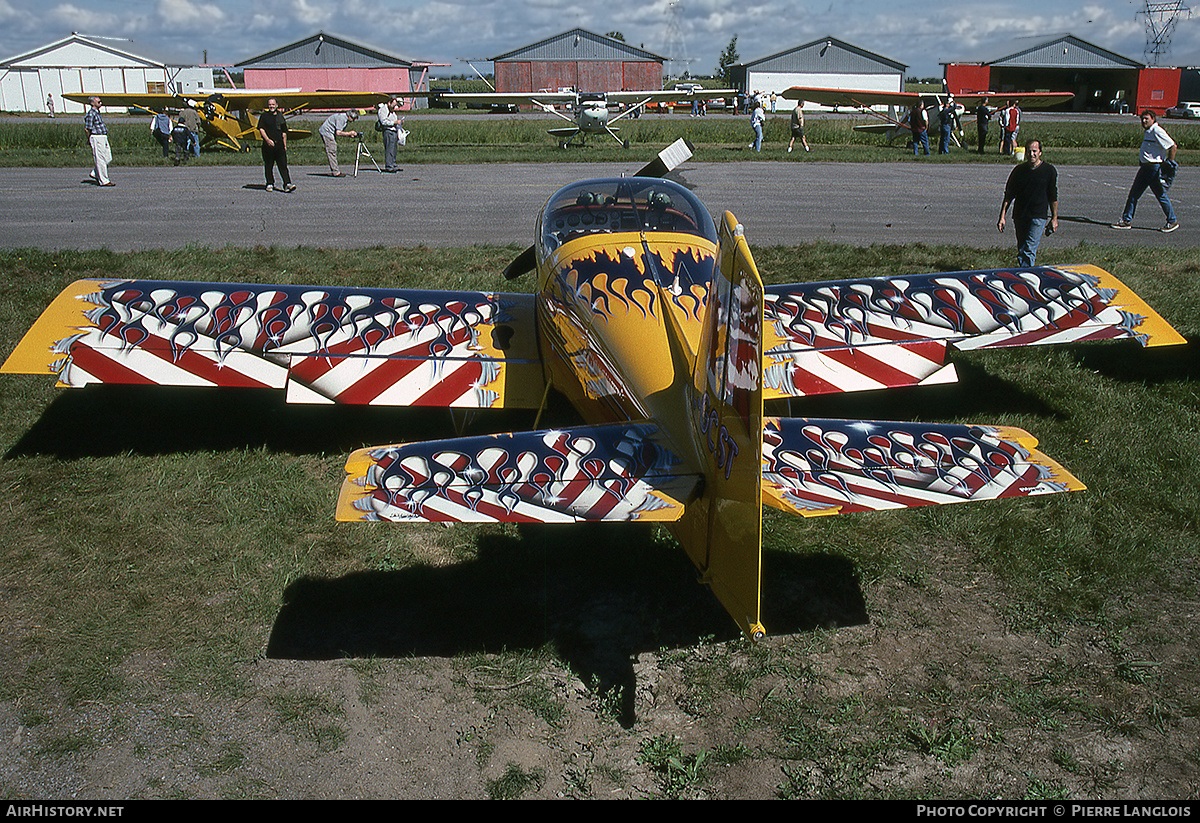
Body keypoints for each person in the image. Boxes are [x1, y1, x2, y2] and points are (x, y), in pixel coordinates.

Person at [1111, 109, 1179, 233]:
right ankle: (1127, 220)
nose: (1144, 121)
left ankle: (1172, 220)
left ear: (1153, 119)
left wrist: (1169, 163)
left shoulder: (1157, 131)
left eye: (1147, 118)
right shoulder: (1148, 131)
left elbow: (1172, 146)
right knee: (1137, 195)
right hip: (1146, 168)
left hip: (1153, 168)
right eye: (1142, 119)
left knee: (1152, 195)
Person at [998, 139, 1059, 268]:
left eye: (1035, 151)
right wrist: (1002, 216)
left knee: (1029, 249)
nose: (1032, 154)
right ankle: (1024, 272)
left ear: (1040, 153)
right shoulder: (1018, 171)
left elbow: (1052, 196)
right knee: (1022, 247)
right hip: (1020, 215)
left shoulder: (1049, 171)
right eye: (1029, 151)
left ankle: (1026, 275)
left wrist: (1054, 218)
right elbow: (1009, 195)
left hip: (1038, 216)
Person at [257, 97, 294, 192]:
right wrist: (267, 140)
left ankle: (287, 184)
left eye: (273, 104)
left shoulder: (280, 116)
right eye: (270, 105)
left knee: (283, 165)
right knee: (268, 165)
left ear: (277, 105)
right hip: (268, 146)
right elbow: (261, 129)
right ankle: (269, 183)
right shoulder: (264, 116)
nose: (271, 106)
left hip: (279, 145)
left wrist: (284, 144)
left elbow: (284, 131)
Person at [319, 109, 360, 177]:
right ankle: (336, 172)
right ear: (350, 116)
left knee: (333, 149)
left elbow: (341, 131)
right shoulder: (342, 118)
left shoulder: (344, 119)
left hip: (328, 132)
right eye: (353, 119)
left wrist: (349, 135)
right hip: (327, 132)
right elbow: (338, 132)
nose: (353, 121)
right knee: (332, 150)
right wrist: (349, 133)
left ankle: (335, 170)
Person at [84, 96, 114, 186]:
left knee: (108, 158)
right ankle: (104, 181)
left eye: (100, 101)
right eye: (98, 101)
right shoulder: (91, 114)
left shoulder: (97, 113)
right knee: (100, 159)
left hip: (103, 136)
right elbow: (87, 128)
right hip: (96, 137)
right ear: (92, 103)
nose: (100, 103)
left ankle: (95, 173)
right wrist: (89, 139)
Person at [377, 97, 402, 172]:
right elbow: (383, 121)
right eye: (393, 105)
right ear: (389, 103)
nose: (394, 107)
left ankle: (393, 163)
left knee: (394, 149)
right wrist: (394, 122)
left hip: (394, 130)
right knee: (389, 149)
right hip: (388, 131)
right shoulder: (383, 110)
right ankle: (389, 166)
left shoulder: (392, 110)